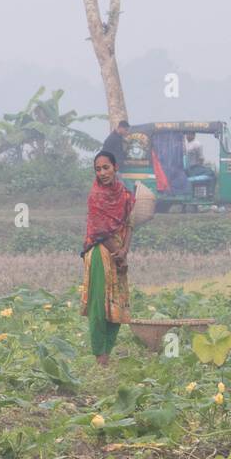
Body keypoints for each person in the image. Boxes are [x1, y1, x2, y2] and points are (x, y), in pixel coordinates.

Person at [81, 151, 134, 367]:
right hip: (100, 253)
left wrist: (124, 252)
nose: (102, 172)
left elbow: (129, 224)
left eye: (106, 167)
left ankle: (107, 353)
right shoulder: (96, 196)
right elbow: (100, 230)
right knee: (98, 305)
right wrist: (118, 255)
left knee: (118, 304)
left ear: (115, 167)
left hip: (119, 253)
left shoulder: (125, 195)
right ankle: (99, 356)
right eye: (98, 169)